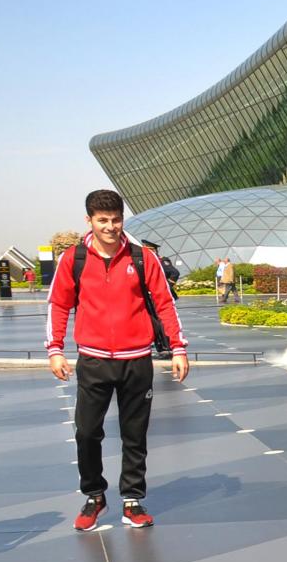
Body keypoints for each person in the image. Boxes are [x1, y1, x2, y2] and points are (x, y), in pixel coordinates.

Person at [48, 189, 189, 531]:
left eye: (115, 220)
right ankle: (94, 496)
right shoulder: (74, 259)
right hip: (93, 360)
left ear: (122, 219)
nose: (110, 227)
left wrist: (178, 348)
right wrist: (55, 349)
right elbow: (59, 304)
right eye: (102, 220)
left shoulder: (142, 257)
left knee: (134, 434)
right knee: (86, 433)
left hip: (136, 360)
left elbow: (165, 303)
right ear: (89, 221)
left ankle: (132, 500)